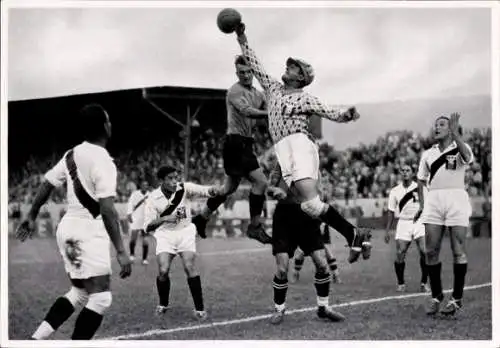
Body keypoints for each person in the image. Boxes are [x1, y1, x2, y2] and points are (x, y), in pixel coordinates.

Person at [233, 22, 371, 263]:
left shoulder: (305, 98)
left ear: (302, 77)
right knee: (309, 207)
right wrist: (241, 36)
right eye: (289, 65)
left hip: (299, 145)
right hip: (282, 149)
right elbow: (255, 65)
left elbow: (330, 111)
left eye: (294, 66)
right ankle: (355, 235)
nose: (288, 67)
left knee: (310, 202)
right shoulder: (273, 88)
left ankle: (354, 235)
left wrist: (347, 115)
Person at [15, 103, 132, 340]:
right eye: (108, 120)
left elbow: (48, 182)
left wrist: (31, 215)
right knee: (101, 298)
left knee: (79, 292)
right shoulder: (104, 161)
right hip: (88, 230)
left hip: (67, 229)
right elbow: (107, 210)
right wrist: (121, 250)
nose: (111, 124)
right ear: (104, 126)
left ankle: (35, 339)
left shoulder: (71, 154)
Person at [192, 55, 270, 244]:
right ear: (237, 73)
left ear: (253, 72)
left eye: (248, 71)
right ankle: (255, 227)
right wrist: (270, 113)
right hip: (235, 143)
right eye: (241, 72)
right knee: (260, 182)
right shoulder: (234, 91)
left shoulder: (259, 94)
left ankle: (201, 218)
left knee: (229, 188)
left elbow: (268, 108)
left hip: (246, 143)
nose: (245, 75)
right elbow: (247, 111)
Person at [266, 163, 345, 325]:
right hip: (284, 218)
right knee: (282, 269)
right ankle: (279, 309)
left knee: (322, 265)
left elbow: (320, 191)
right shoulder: (282, 163)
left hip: (308, 217)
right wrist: (276, 191)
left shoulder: (313, 165)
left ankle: (323, 308)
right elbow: (269, 188)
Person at [144, 165, 223, 320]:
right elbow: (147, 226)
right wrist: (164, 218)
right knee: (163, 270)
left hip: (185, 231)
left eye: (176, 178)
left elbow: (204, 190)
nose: (175, 181)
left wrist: (213, 190)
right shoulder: (153, 198)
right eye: (170, 178)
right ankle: (163, 304)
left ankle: (199, 309)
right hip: (165, 235)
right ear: (161, 181)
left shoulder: (184, 189)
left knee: (189, 266)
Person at [414, 113, 473, 316]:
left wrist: (457, 135)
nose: (436, 127)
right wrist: (422, 205)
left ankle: (456, 299)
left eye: (442, 124)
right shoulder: (427, 154)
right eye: (435, 124)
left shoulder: (460, 147)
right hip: (434, 201)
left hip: (456, 199)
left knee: (458, 250)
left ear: (450, 129)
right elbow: (421, 180)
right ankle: (437, 296)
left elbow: (467, 158)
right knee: (431, 251)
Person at [384, 164, 429, 293]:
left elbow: (426, 205)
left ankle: (424, 283)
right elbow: (391, 212)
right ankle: (401, 283)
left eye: (407, 170)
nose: (405, 172)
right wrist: (387, 231)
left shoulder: (419, 187)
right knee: (400, 253)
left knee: (424, 251)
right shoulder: (395, 191)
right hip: (403, 223)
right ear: (400, 173)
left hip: (418, 222)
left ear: (412, 173)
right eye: (402, 170)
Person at [127, 179, 150, 264]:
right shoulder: (135, 194)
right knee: (133, 238)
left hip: (145, 220)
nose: (145, 186)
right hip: (136, 218)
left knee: (146, 240)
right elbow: (130, 204)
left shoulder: (150, 195)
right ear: (140, 186)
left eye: (146, 185)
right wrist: (129, 214)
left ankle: (144, 259)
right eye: (143, 185)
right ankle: (132, 255)